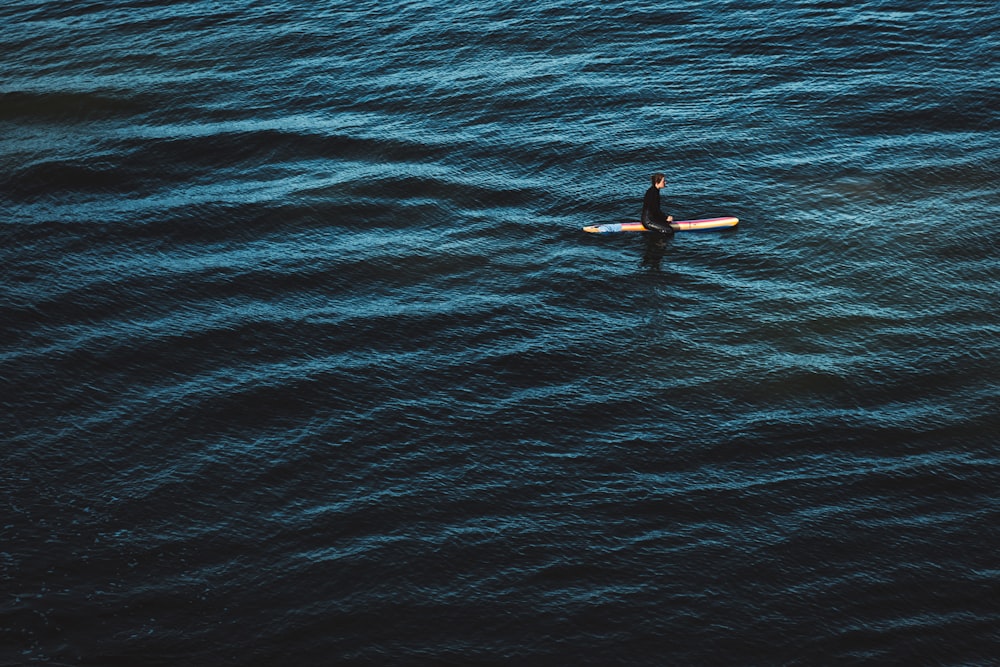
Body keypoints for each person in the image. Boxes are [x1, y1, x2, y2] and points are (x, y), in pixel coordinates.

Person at [641, 172, 674, 236]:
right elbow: (654, 210)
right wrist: (665, 218)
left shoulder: (654, 191)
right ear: (657, 182)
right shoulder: (652, 193)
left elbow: (655, 210)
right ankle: (659, 244)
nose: (665, 182)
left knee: (667, 224)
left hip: (652, 218)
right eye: (663, 181)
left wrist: (665, 219)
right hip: (648, 221)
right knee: (669, 230)